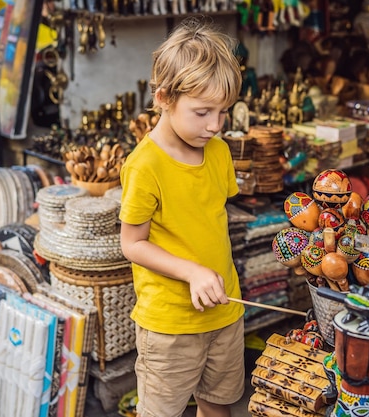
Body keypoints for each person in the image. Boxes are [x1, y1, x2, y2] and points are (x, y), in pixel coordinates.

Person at [118, 17, 245, 417]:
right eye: (202, 111)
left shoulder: (219, 151)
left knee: (219, 404)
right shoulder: (145, 165)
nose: (214, 125)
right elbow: (132, 243)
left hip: (225, 309)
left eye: (223, 112)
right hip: (169, 325)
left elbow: (208, 220)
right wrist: (192, 272)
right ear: (164, 98)